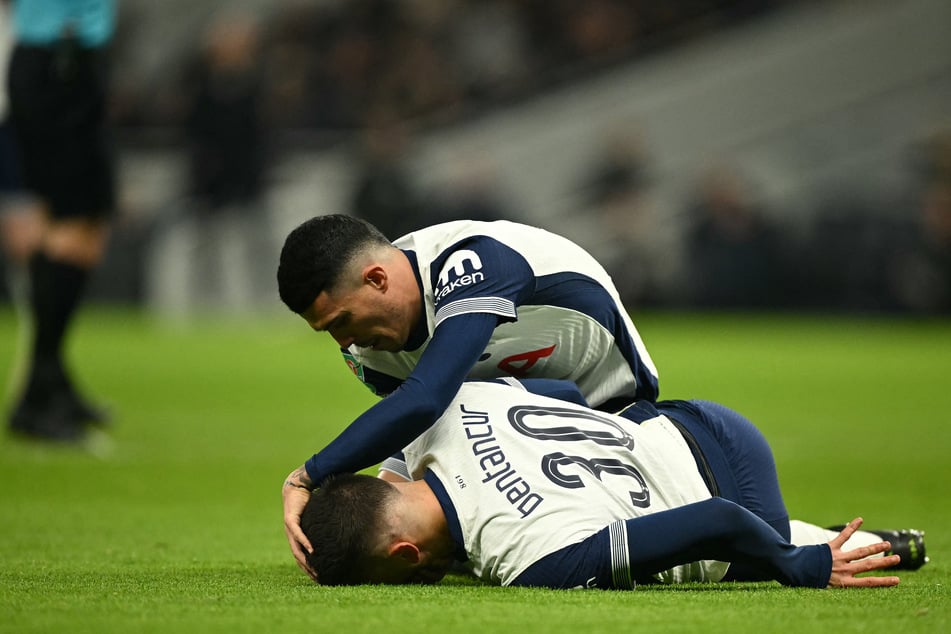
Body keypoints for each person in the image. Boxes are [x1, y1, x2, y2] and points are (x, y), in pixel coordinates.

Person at [277, 214, 659, 576]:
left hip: (618, 415)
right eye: (328, 331)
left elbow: (427, 400)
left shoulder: (472, 259)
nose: (344, 341)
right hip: (526, 426)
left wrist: (305, 477)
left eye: (342, 321)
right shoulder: (371, 356)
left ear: (377, 279)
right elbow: (427, 429)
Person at [299, 379, 927, 588]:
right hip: (698, 419)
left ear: (404, 554)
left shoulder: (531, 563)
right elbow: (568, 394)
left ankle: (826, 547)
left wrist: (797, 565)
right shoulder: (439, 409)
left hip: (736, 494)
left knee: (731, 560)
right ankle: (889, 540)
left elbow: (718, 522)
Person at [5, 0, 117, 442]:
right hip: (56, 61)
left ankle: (50, 378)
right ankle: (38, 390)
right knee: (67, 226)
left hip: (75, 62)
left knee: (88, 227)